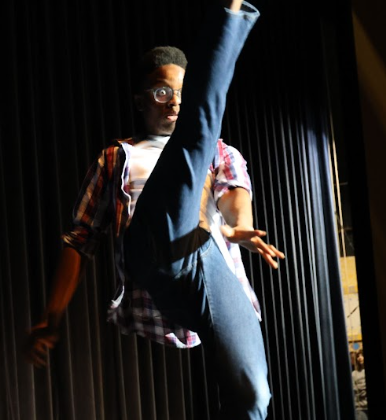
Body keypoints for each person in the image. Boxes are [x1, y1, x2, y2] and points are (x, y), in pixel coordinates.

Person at [26, 1, 284, 418]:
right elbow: (80, 240)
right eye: (163, 93)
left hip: (207, 265)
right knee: (198, 133)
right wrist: (51, 316)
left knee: (255, 395)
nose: (173, 102)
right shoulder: (117, 157)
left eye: (182, 93)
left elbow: (236, 202)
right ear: (140, 100)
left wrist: (237, 230)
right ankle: (233, 13)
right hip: (153, 249)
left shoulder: (221, 153)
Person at [353, 350, 368, 419]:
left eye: (362, 355)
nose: (360, 358)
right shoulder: (354, 374)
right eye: (358, 356)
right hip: (359, 408)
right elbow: (354, 390)